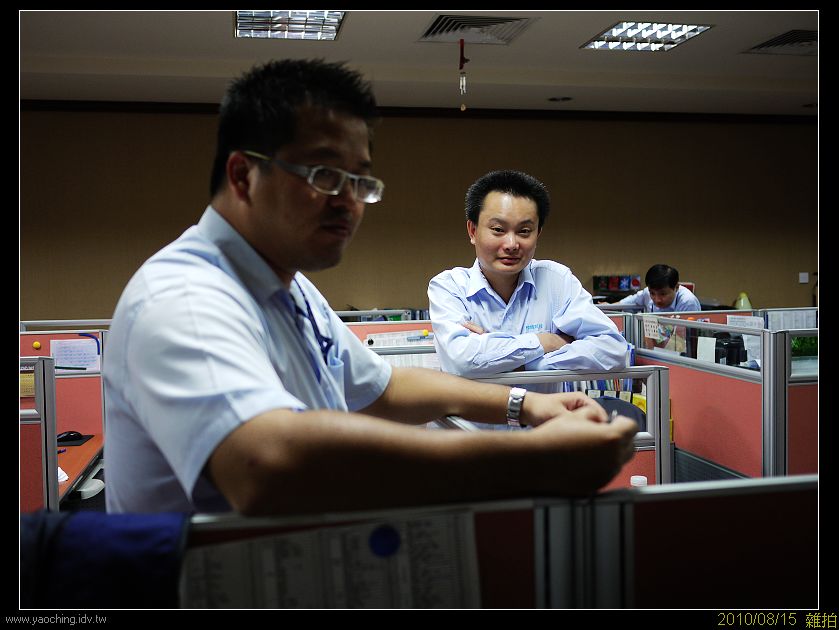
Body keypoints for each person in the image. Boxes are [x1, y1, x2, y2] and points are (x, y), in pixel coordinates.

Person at [103, 59, 637, 516]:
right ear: (243, 175)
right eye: (324, 175)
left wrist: (525, 406)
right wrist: (535, 458)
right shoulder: (186, 298)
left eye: (359, 181)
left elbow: (385, 389)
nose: (348, 202)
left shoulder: (293, 290)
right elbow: (265, 465)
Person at [427, 170, 629, 380]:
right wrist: (545, 341)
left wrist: (520, 363)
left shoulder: (556, 280)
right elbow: (461, 361)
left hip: (547, 404)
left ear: (538, 233)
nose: (511, 244)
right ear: (472, 230)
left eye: (524, 231)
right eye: (498, 229)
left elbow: (613, 350)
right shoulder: (449, 287)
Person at [616, 264, 701, 312]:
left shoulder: (688, 302)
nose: (657, 300)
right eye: (652, 293)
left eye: (663, 294)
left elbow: (689, 336)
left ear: (676, 287)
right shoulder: (647, 293)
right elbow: (621, 305)